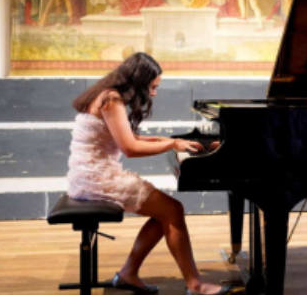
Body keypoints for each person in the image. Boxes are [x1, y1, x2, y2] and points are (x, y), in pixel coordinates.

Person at [68, 53, 234, 295]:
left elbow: (128, 136)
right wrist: (171, 145)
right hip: (97, 178)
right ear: (139, 81)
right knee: (173, 210)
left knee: (165, 212)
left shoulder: (105, 93)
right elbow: (130, 148)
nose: (154, 93)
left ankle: (128, 274)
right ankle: (195, 285)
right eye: (153, 87)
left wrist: (170, 139)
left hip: (86, 176)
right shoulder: (112, 99)